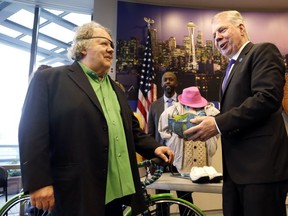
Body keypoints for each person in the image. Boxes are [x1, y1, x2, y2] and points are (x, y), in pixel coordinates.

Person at [18, 21, 174, 216]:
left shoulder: (116, 89)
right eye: (103, 43)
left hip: (116, 194)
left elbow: (131, 131)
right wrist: (38, 183)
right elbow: (31, 133)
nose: (110, 49)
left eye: (111, 46)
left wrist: (154, 147)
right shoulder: (50, 80)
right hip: (75, 193)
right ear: (82, 46)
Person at [183, 10, 288, 216]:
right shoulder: (230, 68)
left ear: (241, 28)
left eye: (222, 30)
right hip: (235, 173)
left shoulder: (263, 51)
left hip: (261, 171)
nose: (217, 38)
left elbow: (266, 98)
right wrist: (214, 122)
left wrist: (217, 124)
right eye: (214, 35)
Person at [147, 71, 193, 213]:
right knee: (161, 198)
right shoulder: (154, 106)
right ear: (161, 84)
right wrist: (151, 159)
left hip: (181, 157)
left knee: (185, 197)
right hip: (161, 158)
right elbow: (150, 134)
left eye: (171, 79)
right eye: (165, 80)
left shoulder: (185, 105)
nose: (168, 82)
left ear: (176, 83)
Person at [158, 86, 221, 183]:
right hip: (181, 163)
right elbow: (163, 131)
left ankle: (204, 171)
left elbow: (217, 130)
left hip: (204, 161)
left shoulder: (211, 111)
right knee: (183, 190)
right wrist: (172, 141)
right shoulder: (170, 112)